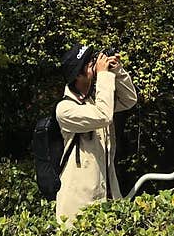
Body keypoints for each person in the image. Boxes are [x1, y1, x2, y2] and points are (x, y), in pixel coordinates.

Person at [55, 42, 138, 226]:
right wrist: (104, 76)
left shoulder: (94, 101)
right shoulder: (65, 109)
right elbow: (104, 116)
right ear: (78, 74)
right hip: (78, 207)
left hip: (107, 197)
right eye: (89, 63)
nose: (95, 64)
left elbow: (130, 100)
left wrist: (117, 73)